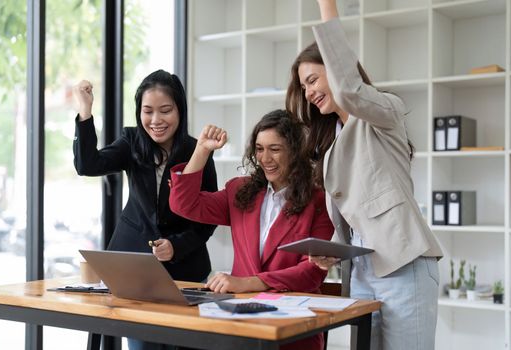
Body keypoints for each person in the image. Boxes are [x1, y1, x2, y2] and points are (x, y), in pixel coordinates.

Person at [285, 1, 443, 349]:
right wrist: (334, 252)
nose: (309, 92)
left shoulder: (384, 112)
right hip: (362, 273)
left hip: (404, 265)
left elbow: (349, 91)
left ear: (338, 70)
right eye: (304, 87)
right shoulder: (331, 146)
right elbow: (356, 221)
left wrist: (326, 6)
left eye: (313, 79)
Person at [73, 70, 218, 350]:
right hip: (134, 270)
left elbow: (208, 218)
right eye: (147, 111)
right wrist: (85, 113)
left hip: (186, 269)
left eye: (165, 110)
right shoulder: (131, 141)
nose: (155, 120)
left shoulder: (197, 150)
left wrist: (176, 246)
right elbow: (87, 165)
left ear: (180, 109)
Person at [168, 109, 334, 350]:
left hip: (293, 330)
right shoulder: (240, 191)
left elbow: (312, 271)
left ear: (296, 152)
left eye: (274, 149)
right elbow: (185, 204)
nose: (265, 158)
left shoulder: (318, 200)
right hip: (240, 325)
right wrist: (202, 150)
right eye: (259, 148)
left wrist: (248, 283)